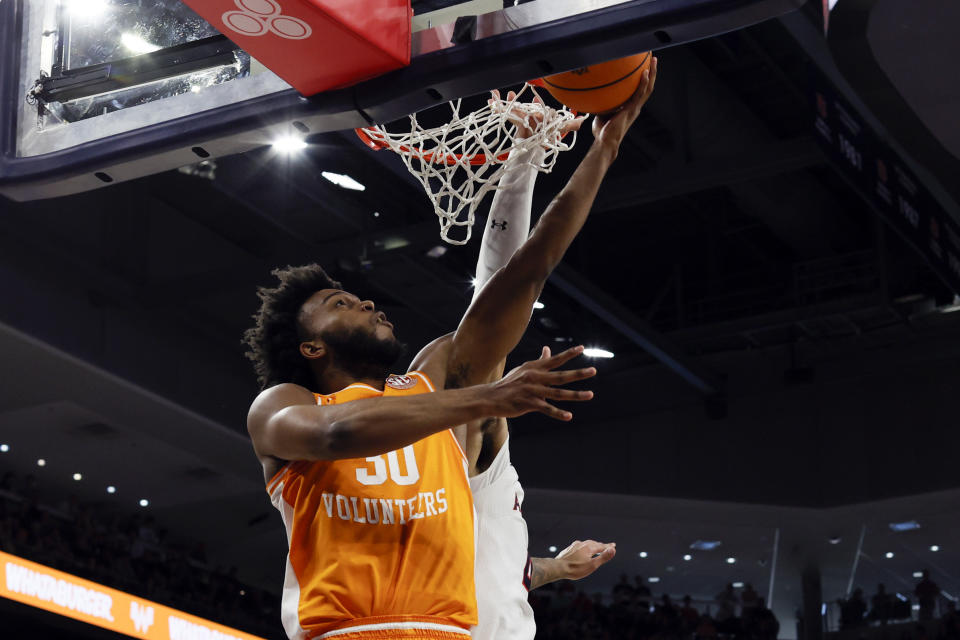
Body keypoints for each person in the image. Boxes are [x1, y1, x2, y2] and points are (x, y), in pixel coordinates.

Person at [243, 59, 659, 640]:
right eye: (341, 304)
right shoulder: (284, 407)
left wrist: (606, 147)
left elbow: (526, 271)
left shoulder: (436, 377)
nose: (367, 305)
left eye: (362, 300)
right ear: (310, 347)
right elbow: (338, 435)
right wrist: (487, 396)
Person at [460, 90, 618, 640]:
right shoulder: (465, 447)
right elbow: (497, 298)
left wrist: (556, 568)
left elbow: (494, 572)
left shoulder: (478, 482)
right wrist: (526, 159)